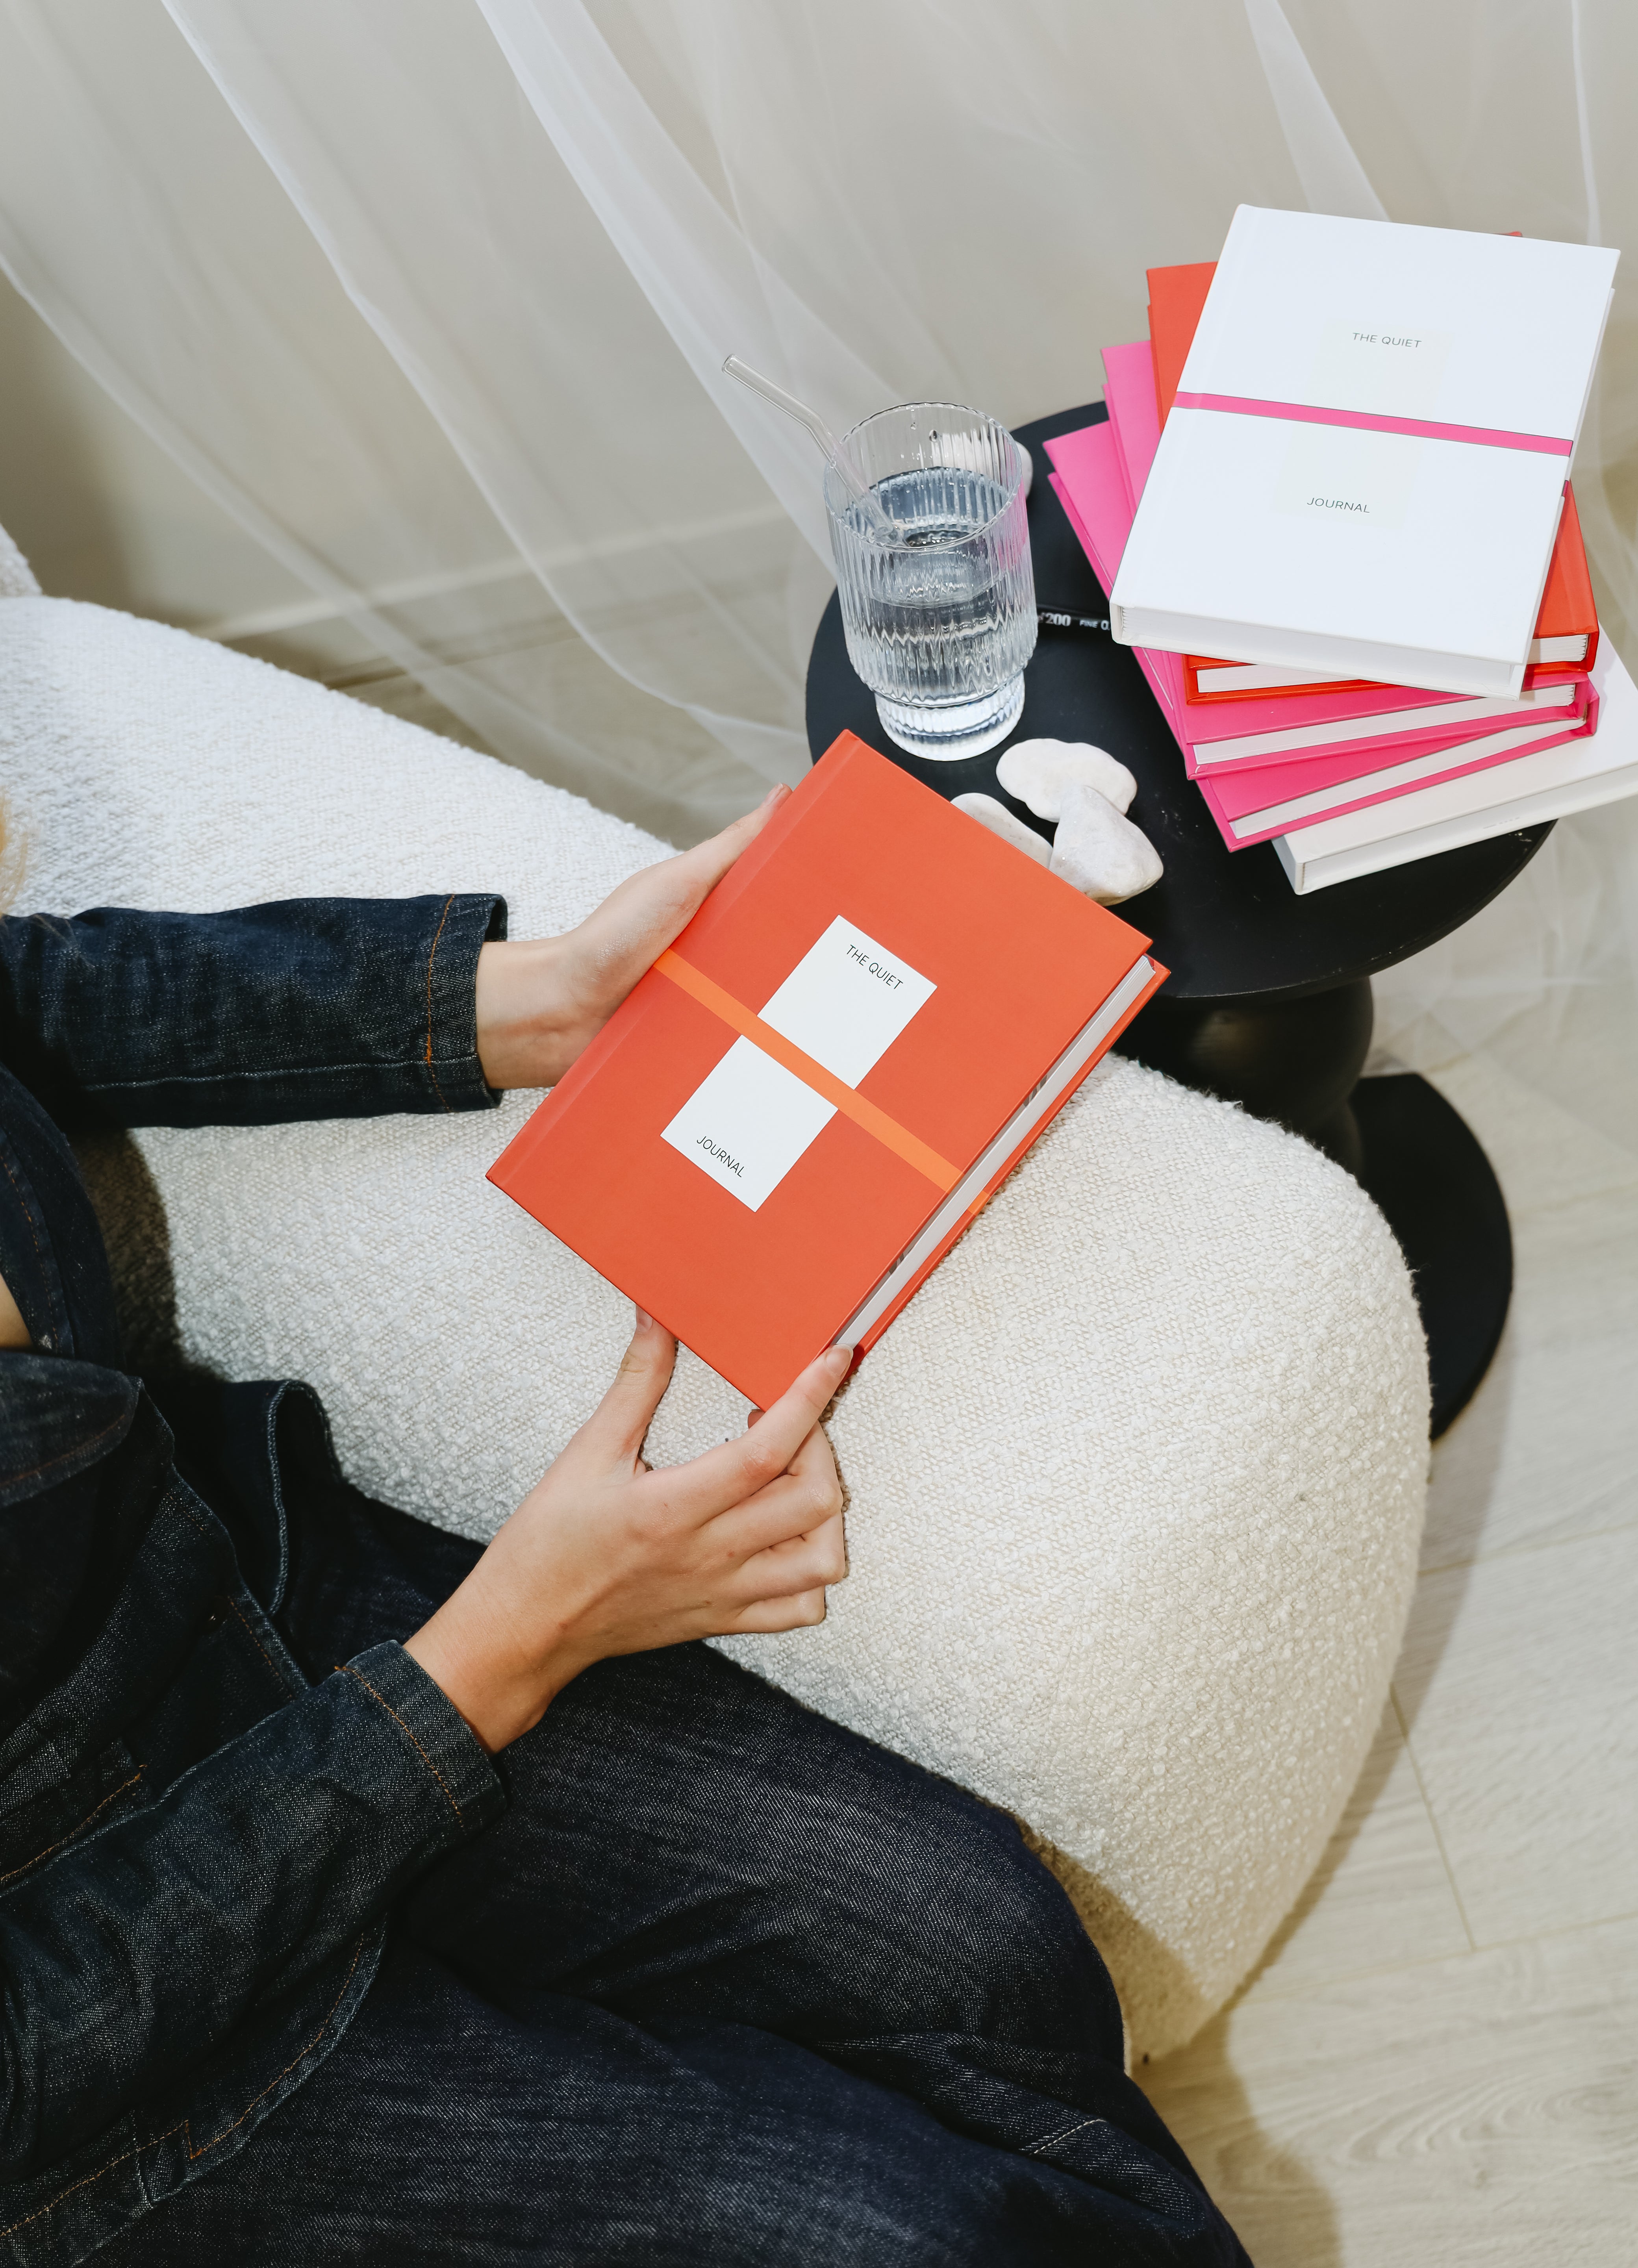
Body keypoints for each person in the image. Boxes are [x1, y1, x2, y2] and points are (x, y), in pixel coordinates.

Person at [0, 789, 1250, 2266]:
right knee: (908, 2242)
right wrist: (508, 1649)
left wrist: (530, 1004)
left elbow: (37, 990)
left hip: (209, 1595)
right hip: (93, 2061)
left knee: (976, 1942)